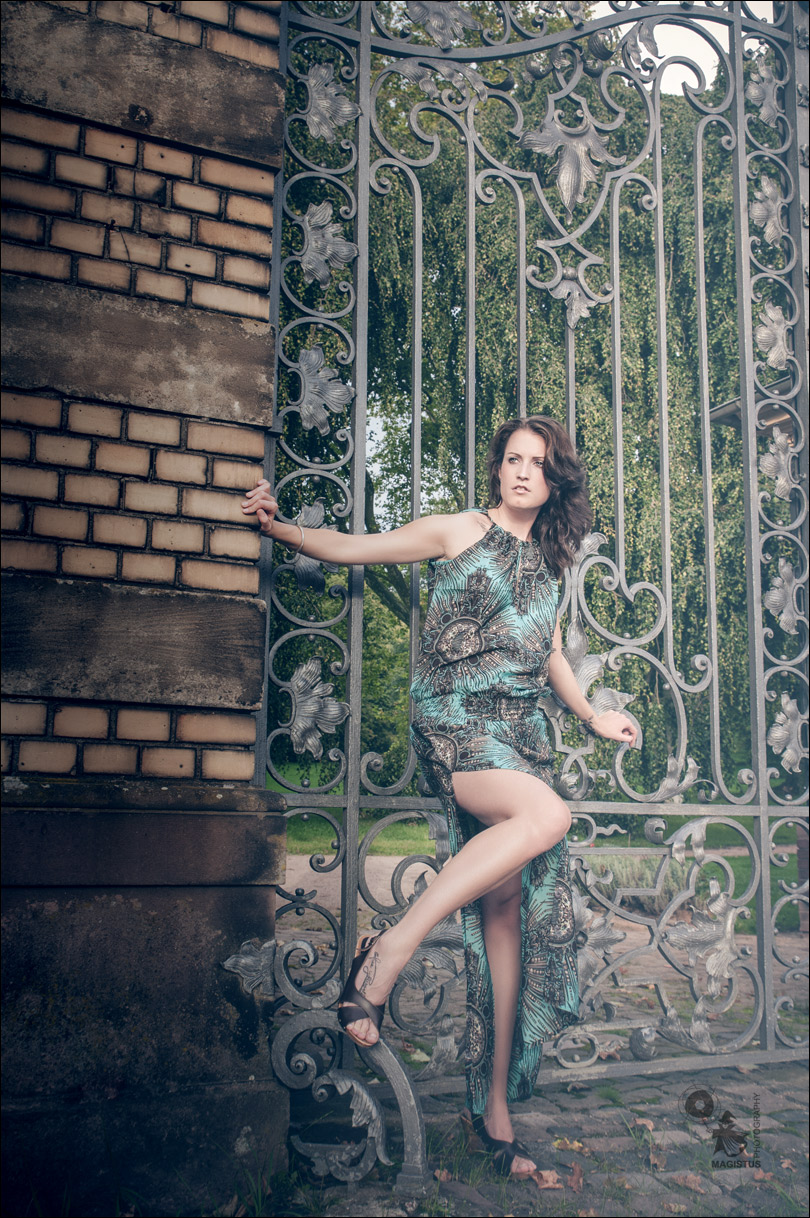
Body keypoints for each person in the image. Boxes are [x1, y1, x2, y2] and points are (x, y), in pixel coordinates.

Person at [242, 416, 638, 1176]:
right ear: (498, 470)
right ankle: (386, 952)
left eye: (539, 464)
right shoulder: (457, 530)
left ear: (556, 480)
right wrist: (279, 526)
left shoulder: (552, 565)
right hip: (456, 720)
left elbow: (550, 652)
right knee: (547, 816)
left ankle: (493, 1114)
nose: (523, 473)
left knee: (504, 909)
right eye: (513, 460)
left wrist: (592, 713)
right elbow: (355, 547)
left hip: (522, 732)